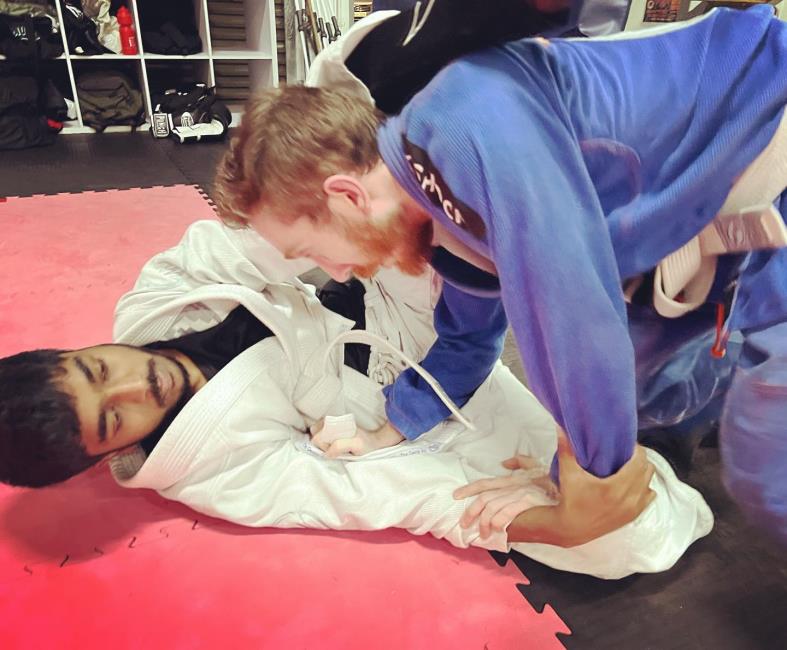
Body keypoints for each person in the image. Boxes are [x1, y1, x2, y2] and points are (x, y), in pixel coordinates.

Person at [212, 5, 787, 543]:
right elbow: (466, 336)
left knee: (764, 465)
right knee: (652, 397)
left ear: (345, 195)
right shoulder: (437, 220)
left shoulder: (463, 124)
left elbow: (569, 309)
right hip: (698, 223)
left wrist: (586, 486)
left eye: (312, 250)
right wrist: (390, 430)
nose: (336, 271)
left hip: (765, 116)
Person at [0, 219, 712, 579]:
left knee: (411, 196)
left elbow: (272, 228)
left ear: (74, 351)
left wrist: (351, 220)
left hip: (384, 298)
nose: (136, 383)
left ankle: (607, 241)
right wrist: (548, 526)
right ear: (111, 452)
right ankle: (666, 394)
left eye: (98, 368)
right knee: (616, 536)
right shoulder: (211, 473)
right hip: (393, 401)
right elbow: (362, 490)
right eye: (114, 416)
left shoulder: (159, 298)